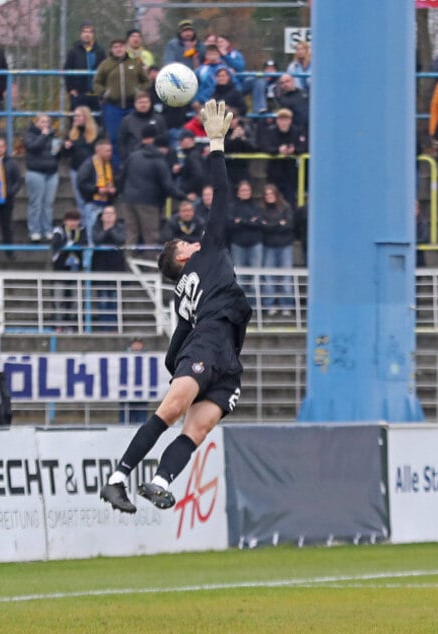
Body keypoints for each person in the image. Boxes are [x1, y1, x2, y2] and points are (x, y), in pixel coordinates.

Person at [100, 100, 251, 513]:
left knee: (198, 429)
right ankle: (117, 478)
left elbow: (174, 344)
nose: (193, 240)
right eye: (185, 242)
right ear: (182, 257)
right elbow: (221, 196)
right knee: (172, 408)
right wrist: (216, 142)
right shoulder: (207, 255)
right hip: (208, 346)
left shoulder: (184, 292)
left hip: (225, 358)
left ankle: (159, 480)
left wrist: (179, 368)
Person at [117, 125, 186, 246]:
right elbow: (167, 186)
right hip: (148, 203)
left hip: (128, 200)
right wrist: (184, 196)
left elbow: (122, 177)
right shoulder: (159, 161)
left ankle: (130, 263)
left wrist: (121, 193)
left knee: (131, 234)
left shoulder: (133, 155)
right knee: (151, 236)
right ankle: (149, 264)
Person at [93, 39, 150, 164]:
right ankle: (117, 168)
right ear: (111, 49)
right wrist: (104, 93)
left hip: (132, 106)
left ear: (125, 48)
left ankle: (135, 164)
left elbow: (146, 81)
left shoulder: (134, 63)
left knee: (135, 137)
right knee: (114, 138)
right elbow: (96, 83)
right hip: (112, 107)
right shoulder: (106, 64)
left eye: (121, 46)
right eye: (115, 47)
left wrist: (138, 91)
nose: (118, 49)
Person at [24, 113, 61, 242]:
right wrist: (43, 136)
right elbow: (32, 147)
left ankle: (47, 229)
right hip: (36, 172)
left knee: (48, 203)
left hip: (51, 172)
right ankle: (34, 230)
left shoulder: (53, 136)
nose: (45, 124)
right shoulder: (30, 135)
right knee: (36, 203)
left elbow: (56, 154)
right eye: (42, 122)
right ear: (36, 123)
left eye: (47, 122)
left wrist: (63, 148)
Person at [260, 183, 295, 316]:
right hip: (268, 246)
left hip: (285, 245)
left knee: (286, 277)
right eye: (266, 194)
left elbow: (289, 225)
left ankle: (287, 305)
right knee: (269, 278)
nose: (269, 196)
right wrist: (278, 224)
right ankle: (269, 305)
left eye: (271, 193)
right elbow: (262, 227)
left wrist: (270, 225)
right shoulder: (262, 209)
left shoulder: (286, 207)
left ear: (276, 194)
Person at [76, 138, 117, 243]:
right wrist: (97, 190)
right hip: (93, 205)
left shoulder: (109, 165)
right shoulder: (88, 165)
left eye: (111, 150)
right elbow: (82, 184)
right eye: (107, 151)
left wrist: (113, 190)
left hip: (106, 205)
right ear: (98, 151)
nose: (110, 153)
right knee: (91, 238)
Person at [61, 106, 102, 211]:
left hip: (93, 171)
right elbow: (65, 154)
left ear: (86, 117)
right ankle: (84, 225)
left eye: (78, 116)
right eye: (75, 116)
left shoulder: (97, 133)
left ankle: (93, 225)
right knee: (80, 201)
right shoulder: (72, 133)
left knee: (94, 200)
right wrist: (65, 147)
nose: (75, 118)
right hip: (76, 170)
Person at [117, 91, 167, 167]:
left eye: (146, 102)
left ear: (150, 103)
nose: (143, 105)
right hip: (134, 159)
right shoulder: (127, 120)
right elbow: (121, 142)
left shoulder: (159, 119)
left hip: (156, 159)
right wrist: (126, 158)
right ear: (135, 104)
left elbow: (165, 138)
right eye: (140, 102)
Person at [63, 23, 105, 111]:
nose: (87, 34)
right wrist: (71, 89)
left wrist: (102, 90)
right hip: (79, 94)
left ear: (93, 34)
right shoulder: (73, 51)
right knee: (77, 120)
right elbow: (67, 70)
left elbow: (104, 70)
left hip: (95, 94)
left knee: (96, 121)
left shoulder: (100, 51)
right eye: (85, 32)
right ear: (81, 34)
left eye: (90, 32)